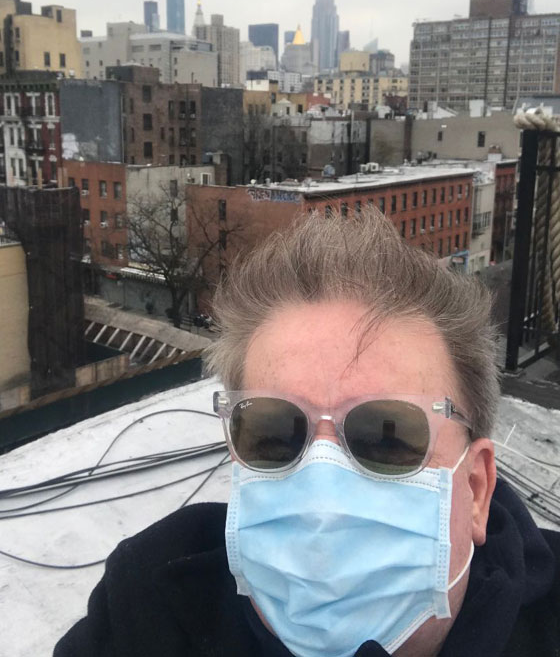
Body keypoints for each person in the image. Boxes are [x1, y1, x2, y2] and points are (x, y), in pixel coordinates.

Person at [54, 209, 560, 657]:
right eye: (274, 432)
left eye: (386, 437)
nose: (321, 493)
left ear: (475, 489)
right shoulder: (153, 596)